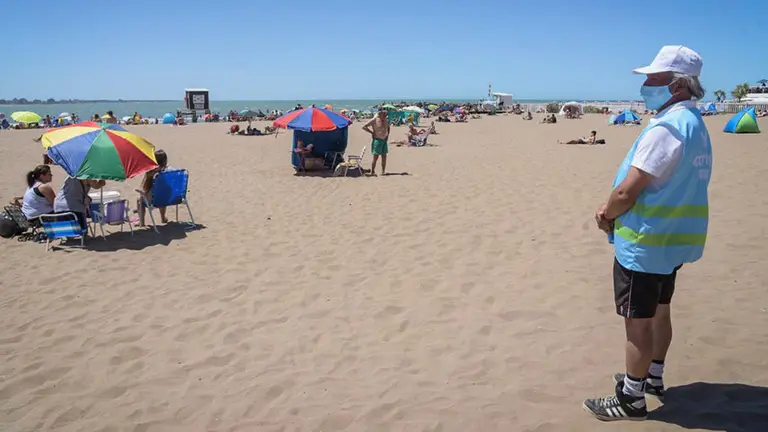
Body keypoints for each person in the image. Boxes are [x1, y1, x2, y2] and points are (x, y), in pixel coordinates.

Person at [584, 45, 712, 422]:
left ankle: (631, 398)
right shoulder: (694, 124)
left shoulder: (667, 128)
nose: (646, 85)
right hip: (672, 240)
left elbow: (628, 191)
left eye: (654, 78)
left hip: (646, 243)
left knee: (637, 322)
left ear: (677, 85)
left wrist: (606, 214)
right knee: (660, 311)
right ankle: (652, 378)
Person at [137, 150, 170, 226]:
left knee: (139, 200)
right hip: (167, 198)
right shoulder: (169, 171)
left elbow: (146, 188)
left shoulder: (151, 173)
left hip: (154, 199)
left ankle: (141, 222)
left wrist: (142, 192)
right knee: (162, 193)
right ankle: (163, 218)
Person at [363, 110, 390, 176]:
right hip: (377, 140)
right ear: (380, 114)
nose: (385, 116)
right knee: (375, 157)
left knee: (384, 156)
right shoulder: (374, 120)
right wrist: (372, 132)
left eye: (386, 115)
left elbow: (388, 127)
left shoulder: (386, 120)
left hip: (384, 140)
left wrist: (387, 136)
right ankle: (372, 171)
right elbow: (364, 127)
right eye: (384, 115)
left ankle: (383, 171)